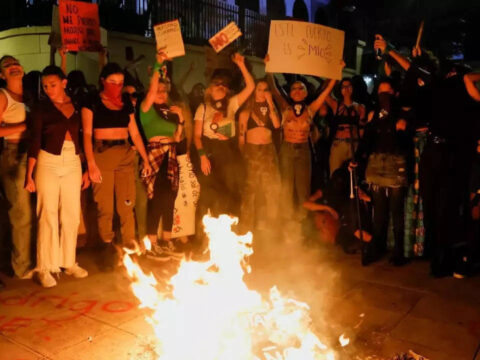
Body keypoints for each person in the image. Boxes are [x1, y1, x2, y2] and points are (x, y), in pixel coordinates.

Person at [82, 63, 152, 269]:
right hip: (102, 154)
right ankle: (107, 250)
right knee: (105, 206)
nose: (116, 86)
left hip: (125, 155)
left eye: (120, 83)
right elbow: (87, 134)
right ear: (103, 81)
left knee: (127, 205)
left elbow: (135, 133)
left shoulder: (125, 103)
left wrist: (145, 159)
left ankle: (130, 248)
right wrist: (91, 164)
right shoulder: (92, 101)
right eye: (112, 82)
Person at [25, 65, 89, 287]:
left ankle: (68, 262)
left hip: (73, 161)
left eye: (52, 84)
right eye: (44, 86)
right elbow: (34, 141)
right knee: (47, 213)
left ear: (63, 83)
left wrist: (87, 167)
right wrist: (29, 174)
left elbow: (84, 137)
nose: (48, 89)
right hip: (48, 160)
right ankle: (45, 267)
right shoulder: (41, 109)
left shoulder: (78, 105)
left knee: (71, 213)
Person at [266, 58, 337, 229]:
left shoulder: (311, 109)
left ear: (306, 93)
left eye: (301, 88)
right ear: (290, 93)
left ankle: (301, 224)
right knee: (286, 188)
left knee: (303, 190)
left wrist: (336, 72)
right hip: (287, 149)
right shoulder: (285, 107)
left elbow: (325, 92)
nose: (297, 91)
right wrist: (269, 67)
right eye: (294, 88)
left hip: (304, 150)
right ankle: (285, 226)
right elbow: (275, 89)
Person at [354, 78, 412, 266]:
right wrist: (357, 158)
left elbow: (406, 145)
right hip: (377, 163)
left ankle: (398, 252)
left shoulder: (402, 114)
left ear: (394, 94)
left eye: (386, 93)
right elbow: (367, 140)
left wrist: (402, 130)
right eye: (380, 93)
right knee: (379, 212)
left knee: (396, 211)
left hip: (395, 164)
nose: (383, 97)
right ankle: (377, 248)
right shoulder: (374, 115)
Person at [194, 53, 255, 217]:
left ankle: (232, 228)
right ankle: (206, 233)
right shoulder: (203, 108)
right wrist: (202, 157)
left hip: (228, 152)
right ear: (210, 88)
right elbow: (197, 136)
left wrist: (241, 65)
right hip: (210, 152)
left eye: (223, 84)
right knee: (210, 192)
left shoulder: (232, 104)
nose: (221, 86)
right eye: (217, 84)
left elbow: (250, 87)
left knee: (231, 190)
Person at [138, 52, 184, 259]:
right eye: (159, 91)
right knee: (155, 201)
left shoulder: (169, 112)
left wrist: (181, 119)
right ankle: (152, 245)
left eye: (165, 92)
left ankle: (167, 241)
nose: (162, 94)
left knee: (169, 200)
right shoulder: (146, 109)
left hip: (171, 156)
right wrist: (158, 62)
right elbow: (152, 88)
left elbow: (177, 136)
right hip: (156, 155)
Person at [0, 55, 35, 279]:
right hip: (13, 155)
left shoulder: (29, 95)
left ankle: (32, 259)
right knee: (21, 214)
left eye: (15, 63)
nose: (13, 67)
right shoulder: (2, 96)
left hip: (32, 154)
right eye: (7, 65)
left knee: (33, 211)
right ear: (2, 75)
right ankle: (22, 266)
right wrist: (25, 125)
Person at [238, 79, 281, 232]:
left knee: (272, 188)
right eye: (259, 89)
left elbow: (276, 125)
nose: (263, 92)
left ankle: (272, 226)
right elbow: (241, 136)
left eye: (265, 89)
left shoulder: (271, 109)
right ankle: (246, 225)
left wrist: (270, 102)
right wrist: (243, 155)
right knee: (250, 189)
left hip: (268, 151)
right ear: (254, 91)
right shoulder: (246, 111)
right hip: (252, 151)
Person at [325, 77, 366, 176]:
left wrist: (361, 148)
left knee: (352, 177)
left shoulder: (360, 108)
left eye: (349, 86)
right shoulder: (336, 105)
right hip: (339, 143)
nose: (346, 89)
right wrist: (332, 79)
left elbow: (362, 129)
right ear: (340, 89)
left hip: (354, 144)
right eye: (343, 87)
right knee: (335, 175)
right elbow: (325, 95)